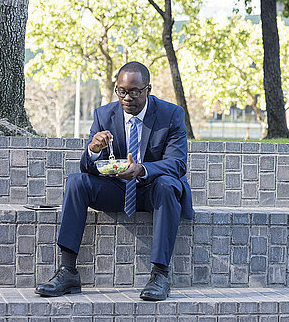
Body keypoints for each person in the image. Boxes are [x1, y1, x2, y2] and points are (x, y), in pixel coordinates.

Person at [35, 61, 194, 301]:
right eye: (122, 91)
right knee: (77, 182)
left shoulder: (170, 115)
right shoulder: (104, 115)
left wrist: (142, 169)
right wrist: (94, 150)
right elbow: (88, 167)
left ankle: (160, 274)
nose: (127, 97)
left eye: (134, 92)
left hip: (154, 190)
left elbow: (177, 164)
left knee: (167, 185)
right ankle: (68, 271)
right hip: (119, 190)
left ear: (148, 89)